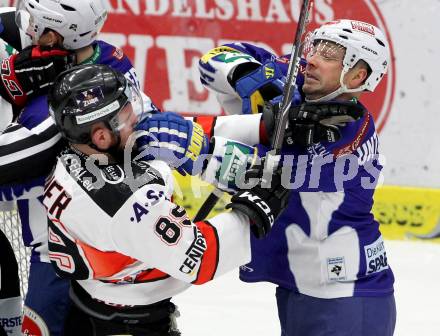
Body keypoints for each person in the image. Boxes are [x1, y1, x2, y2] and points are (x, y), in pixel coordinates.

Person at [44, 63, 289, 335]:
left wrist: (262, 126)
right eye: (129, 121)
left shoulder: (85, 153)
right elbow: (200, 258)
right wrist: (253, 211)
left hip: (97, 305)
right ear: (101, 136)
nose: (138, 122)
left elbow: (185, 134)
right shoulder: (121, 200)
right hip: (124, 324)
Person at [196, 19, 396, 336]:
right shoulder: (292, 79)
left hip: (347, 293)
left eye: (331, 54)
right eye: (314, 46)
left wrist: (193, 144)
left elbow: (262, 176)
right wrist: (249, 78)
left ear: (358, 76)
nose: (312, 58)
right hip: (299, 283)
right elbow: (210, 63)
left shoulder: (351, 132)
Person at [0, 1, 156, 334]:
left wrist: (8, 82)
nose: (27, 28)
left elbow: (11, 158)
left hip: (65, 258)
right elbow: (8, 25)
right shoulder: (106, 57)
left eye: (35, 24)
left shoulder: (70, 105)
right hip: (112, 248)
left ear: (54, 37)